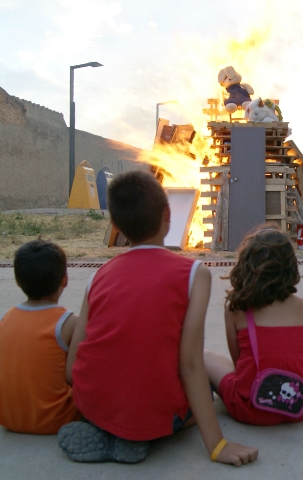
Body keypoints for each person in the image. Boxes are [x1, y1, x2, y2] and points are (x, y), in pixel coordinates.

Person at [59, 170, 258, 466]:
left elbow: (71, 371)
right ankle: (144, 434)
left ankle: (109, 430)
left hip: (93, 405)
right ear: (168, 214)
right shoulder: (194, 274)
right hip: (153, 411)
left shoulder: (97, 277)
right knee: (206, 395)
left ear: (116, 225)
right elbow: (190, 364)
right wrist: (218, 446)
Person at [204, 225, 303, 425]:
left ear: (246, 265)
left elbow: (238, 361)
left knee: (206, 357)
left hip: (251, 408)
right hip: (301, 407)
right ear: (291, 266)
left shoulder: (237, 309)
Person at [0, 239, 81, 434]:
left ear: (18, 282)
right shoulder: (69, 322)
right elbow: (76, 374)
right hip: (57, 419)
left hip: (8, 418)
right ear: (65, 279)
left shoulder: (6, 317)